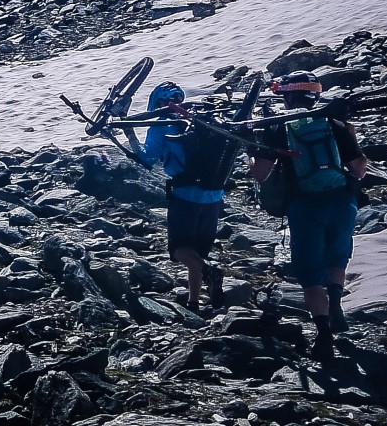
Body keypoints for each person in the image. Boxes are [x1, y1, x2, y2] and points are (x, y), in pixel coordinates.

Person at [250, 70, 367, 360]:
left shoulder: (279, 126)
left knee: (310, 275)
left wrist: (252, 151)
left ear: (286, 96)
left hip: (304, 207)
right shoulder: (334, 121)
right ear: (315, 95)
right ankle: (337, 303)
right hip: (341, 202)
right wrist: (350, 133)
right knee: (338, 256)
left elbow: (261, 175)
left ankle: (324, 334)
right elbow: (360, 170)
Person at [137, 81, 233, 314]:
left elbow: (147, 159)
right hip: (213, 196)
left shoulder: (162, 124)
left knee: (180, 249)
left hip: (184, 195)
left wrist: (130, 137)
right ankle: (194, 301)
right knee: (197, 251)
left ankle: (209, 271)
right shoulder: (202, 119)